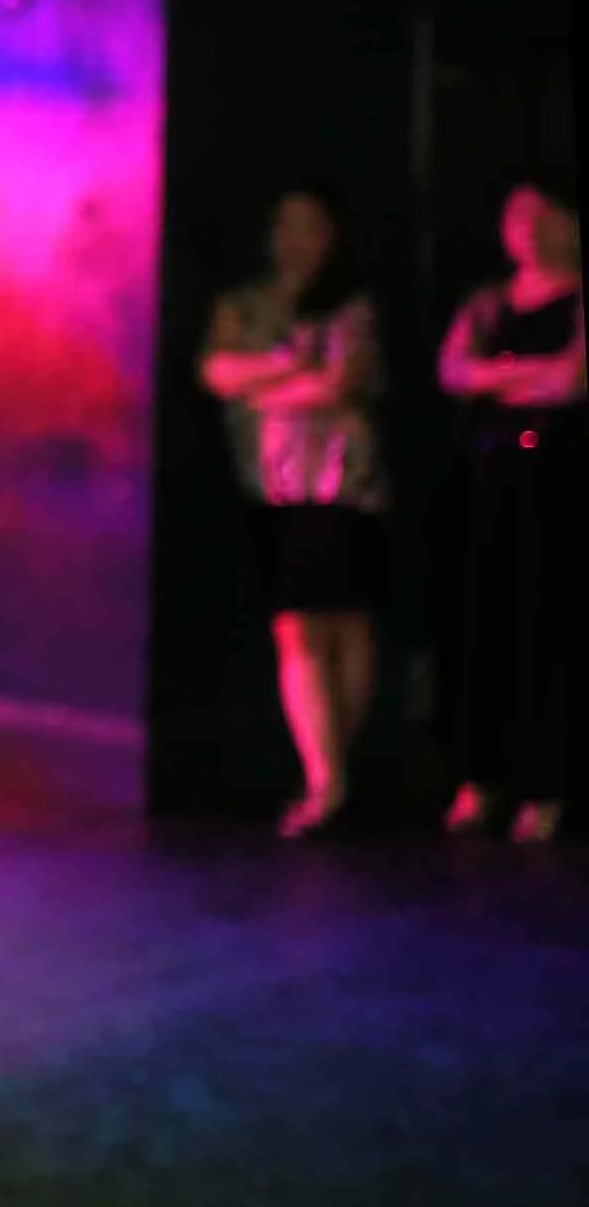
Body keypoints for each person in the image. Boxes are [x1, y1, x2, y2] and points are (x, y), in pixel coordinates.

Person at [199, 183, 388, 838]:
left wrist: (266, 386)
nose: (295, 238)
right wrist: (285, 365)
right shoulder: (243, 302)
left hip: (340, 482)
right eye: (286, 224)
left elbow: (341, 381)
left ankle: (331, 778)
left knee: (340, 626)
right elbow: (217, 373)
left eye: (310, 225)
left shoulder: (351, 304)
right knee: (300, 629)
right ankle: (330, 776)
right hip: (269, 487)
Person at [436, 177, 585, 843]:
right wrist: (529, 374)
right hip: (488, 475)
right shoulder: (487, 302)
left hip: (557, 479)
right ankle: (480, 778)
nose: (527, 227)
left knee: (545, 623)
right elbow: (454, 372)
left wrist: (501, 376)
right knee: (483, 624)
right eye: (516, 213)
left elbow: (571, 380)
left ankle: (545, 786)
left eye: (543, 214)